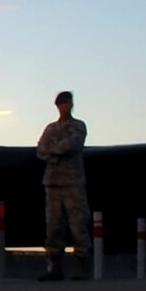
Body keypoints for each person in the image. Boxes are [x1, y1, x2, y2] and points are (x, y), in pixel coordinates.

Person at [36, 90, 91, 281]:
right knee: (53, 227)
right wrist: (55, 150)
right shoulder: (51, 128)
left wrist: (54, 150)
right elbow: (41, 150)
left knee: (78, 224)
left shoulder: (78, 126)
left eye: (67, 102)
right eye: (61, 103)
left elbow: (72, 145)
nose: (64, 106)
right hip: (53, 183)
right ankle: (54, 266)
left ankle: (82, 266)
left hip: (73, 183)